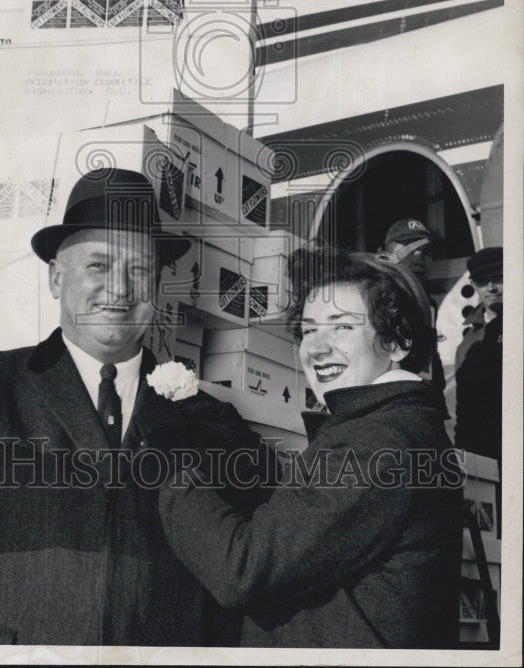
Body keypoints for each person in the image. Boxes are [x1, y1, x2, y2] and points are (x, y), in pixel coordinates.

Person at [0, 168, 272, 646]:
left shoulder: (206, 417)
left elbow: (260, 561)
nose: (119, 289)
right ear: (57, 277)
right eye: (98, 266)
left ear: (158, 286)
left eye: (138, 270)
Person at [158, 246, 463, 649]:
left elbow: (245, 571)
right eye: (308, 329)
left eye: (341, 327)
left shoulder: (377, 440)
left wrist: (169, 475)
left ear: (397, 341)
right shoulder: (404, 426)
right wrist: (228, 436)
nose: (315, 347)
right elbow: (307, 522)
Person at [382, 218, 448, 417]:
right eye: (411, 248)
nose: (419, 256)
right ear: (387, 254)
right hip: (390, 404)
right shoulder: (374, 297)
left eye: (426, 252)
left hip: (423, 401)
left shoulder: (428, 302)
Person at [454, 246, 502, 461]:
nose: (491, 287)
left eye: (499, 278)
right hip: (484, 452)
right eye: (483, 281)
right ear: (474, 285)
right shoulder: (467, 343)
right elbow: (464, 410)